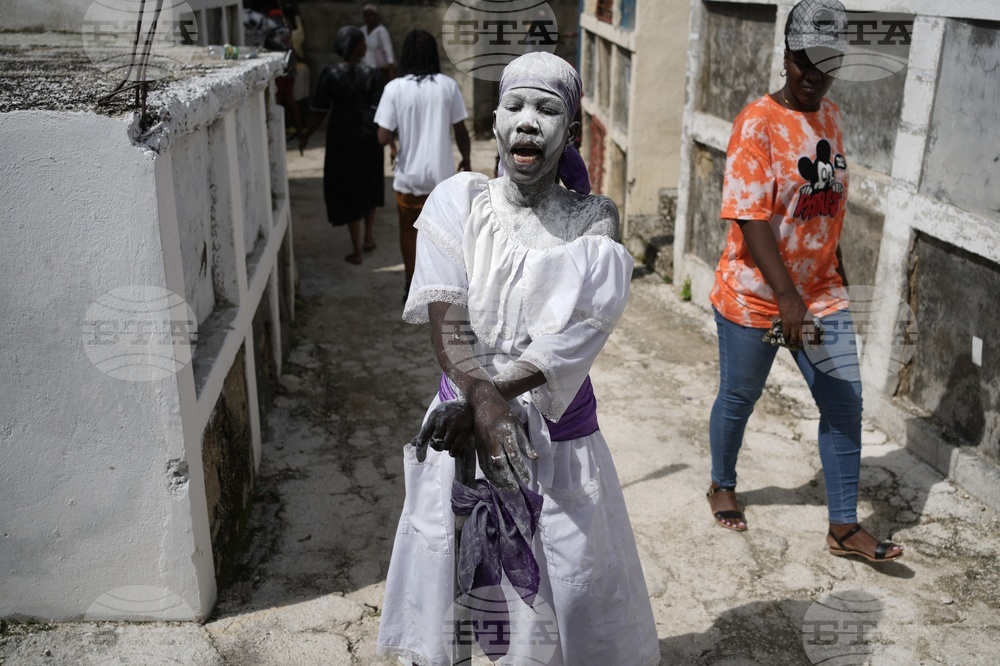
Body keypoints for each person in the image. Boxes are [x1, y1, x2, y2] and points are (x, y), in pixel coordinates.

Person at [376, 52, 659, 666]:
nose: (528, 120)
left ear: (571, 131)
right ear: (496, 121)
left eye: (547, 110)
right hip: (462, 420)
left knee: (561, 585)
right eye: (515, 106)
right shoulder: (458, 202)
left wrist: (492, 399)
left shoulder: (593, 222)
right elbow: (448, 317)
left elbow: (577, 335)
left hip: (557, 438)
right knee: (456, 577)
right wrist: (483, 399)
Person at [706, 0, 903, 563]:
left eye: (827, 63)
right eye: (804, 61)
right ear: (786, 57)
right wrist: (787, 298)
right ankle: (722, 483)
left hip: (820, 294)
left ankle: (843, 527)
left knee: (844, 403)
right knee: (740, 396)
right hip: (756, 296)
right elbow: (750, 217)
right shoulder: (757, 122)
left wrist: (835, 272)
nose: (814, 74)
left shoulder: (832, 117)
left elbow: (825, 204)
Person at [373, 29, 470, 295]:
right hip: (442, 181)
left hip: (408, 178)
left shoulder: (394, 89)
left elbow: (382, 136)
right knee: (443, 237)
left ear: (405, 56)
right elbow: (461, 131)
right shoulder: (448, 86)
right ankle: (441, 288)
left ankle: (410, 284)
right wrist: (466, 159)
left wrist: (393, 140)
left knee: (408, 230)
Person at [299, 26, 383, 264]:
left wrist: (306, 134)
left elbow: (320, 111)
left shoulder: (330, 73)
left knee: (349, 189)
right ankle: (368, 237)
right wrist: (389, 140)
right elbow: (382, 111)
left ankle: (356, 250)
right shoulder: (373, 73)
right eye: (362, 42)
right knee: (369, 184)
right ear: (355, 46)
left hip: (342, 138)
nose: (365, 45)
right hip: (369, 136)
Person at [361, 3, 395, 81]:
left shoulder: (381, 31)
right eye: (366, 15)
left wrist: (391, 73)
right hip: (364, 69)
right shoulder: (362, 30)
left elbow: (388, 52)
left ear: (375, 16)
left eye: (371, 15)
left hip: (378, 70)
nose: (368, 18)